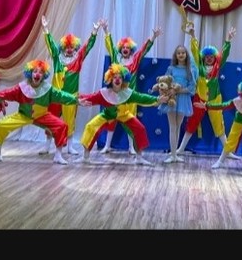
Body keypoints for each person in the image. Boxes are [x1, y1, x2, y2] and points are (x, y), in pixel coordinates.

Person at [0, 59, 81, 165]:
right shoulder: (22, 87)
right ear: (30, 73)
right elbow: (7, 93)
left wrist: (76, 100)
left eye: (41, 72)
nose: (37, 74)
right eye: (35, 71)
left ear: (44, 75)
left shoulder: (47, 89)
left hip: (42, 116)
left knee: (61, 126)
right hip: (23, 115)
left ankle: (58, 156)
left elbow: (61, 96)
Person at [39, 15, 104, 156]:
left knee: (70, 121)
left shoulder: (78, 59)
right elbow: (51, 44)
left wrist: (94, 32)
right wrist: (46, 29)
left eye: (71, 47)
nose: (69, 49)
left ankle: (69, 147)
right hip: (55, 95)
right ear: (63, 47)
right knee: (51, 119)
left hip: (71, 96)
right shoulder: (57, 58)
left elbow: (87, 47)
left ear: (75, 48)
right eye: (67, 47)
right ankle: (47, 146)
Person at [77, 63, 166, 166]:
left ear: (123, 80)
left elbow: (141, 98)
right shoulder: (104, 93)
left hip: (124, 115)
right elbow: (91, 98)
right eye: (115, 77)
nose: (117, 80)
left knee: (140, 128)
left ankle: (139, 158)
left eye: (120, 77)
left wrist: (157, 99)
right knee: (90, 126)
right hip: (107, 115)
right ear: (110, 79)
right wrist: (78, 99)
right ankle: (85, 157)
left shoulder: (127, 93)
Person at [101, 22, 162, 155]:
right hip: (115, 95)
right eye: (123, 47)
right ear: (120, 49)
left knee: (131, 120)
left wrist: (153, 37)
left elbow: (144, 50)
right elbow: (110, 45)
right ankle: (107, 146)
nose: (125, 49)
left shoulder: (134, 60)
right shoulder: (116, 59)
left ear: (131, 50)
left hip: (129, 97)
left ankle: (131, 147)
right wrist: (106, 30)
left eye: (127, 47)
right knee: (111, 119)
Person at [176, 25, 237, 156]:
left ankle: (228, 152)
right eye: (207, 56)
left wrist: (228, 40)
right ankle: (180, 149)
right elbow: (195, 51)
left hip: (215, 99)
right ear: (203, 58)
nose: (209, 58)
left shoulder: (217, 67)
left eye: (211, 57)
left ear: (215, 58)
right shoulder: (200, 66)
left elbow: (224, 54)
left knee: (219, 125)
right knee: (192, 123)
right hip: (200, 98)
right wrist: (193, 36)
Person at [159, 44, 197, 164]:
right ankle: (173, 155)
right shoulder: (171, 68)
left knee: (178, 126)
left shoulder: (189, 70)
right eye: (178, 53)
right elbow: (164, 83)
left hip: (183, 99)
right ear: (175, 55)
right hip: (172, 99)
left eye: (183, 53)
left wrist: (178, 90)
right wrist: (168, 91)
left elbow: (192, 87)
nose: (181, 55)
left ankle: (175, 155)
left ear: (186, 55)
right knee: (172, 126)